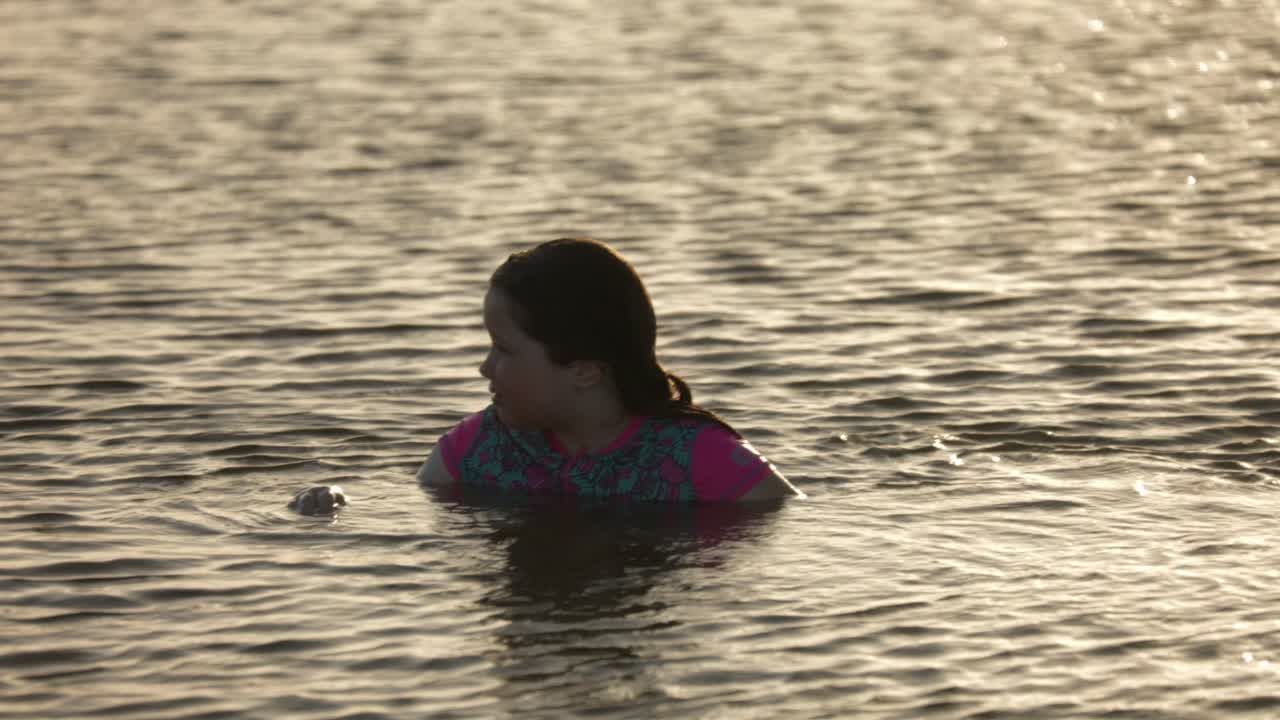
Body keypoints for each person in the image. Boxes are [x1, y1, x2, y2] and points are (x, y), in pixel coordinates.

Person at [416, 237, 802, 503]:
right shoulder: (474, 452)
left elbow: (785, 528)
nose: (485, 367)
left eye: (504, 349)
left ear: (585, 370)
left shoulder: (699, 458)